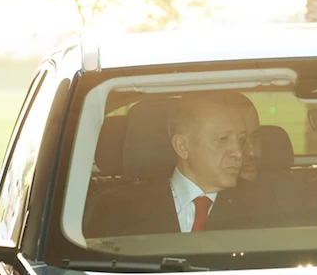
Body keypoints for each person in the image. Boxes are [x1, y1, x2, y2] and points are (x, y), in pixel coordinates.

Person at [86, 93, 269, 237]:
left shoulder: (265, 206)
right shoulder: (117, 209)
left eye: (240, 140)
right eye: (223, 139)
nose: (239, 153)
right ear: (182, 146)